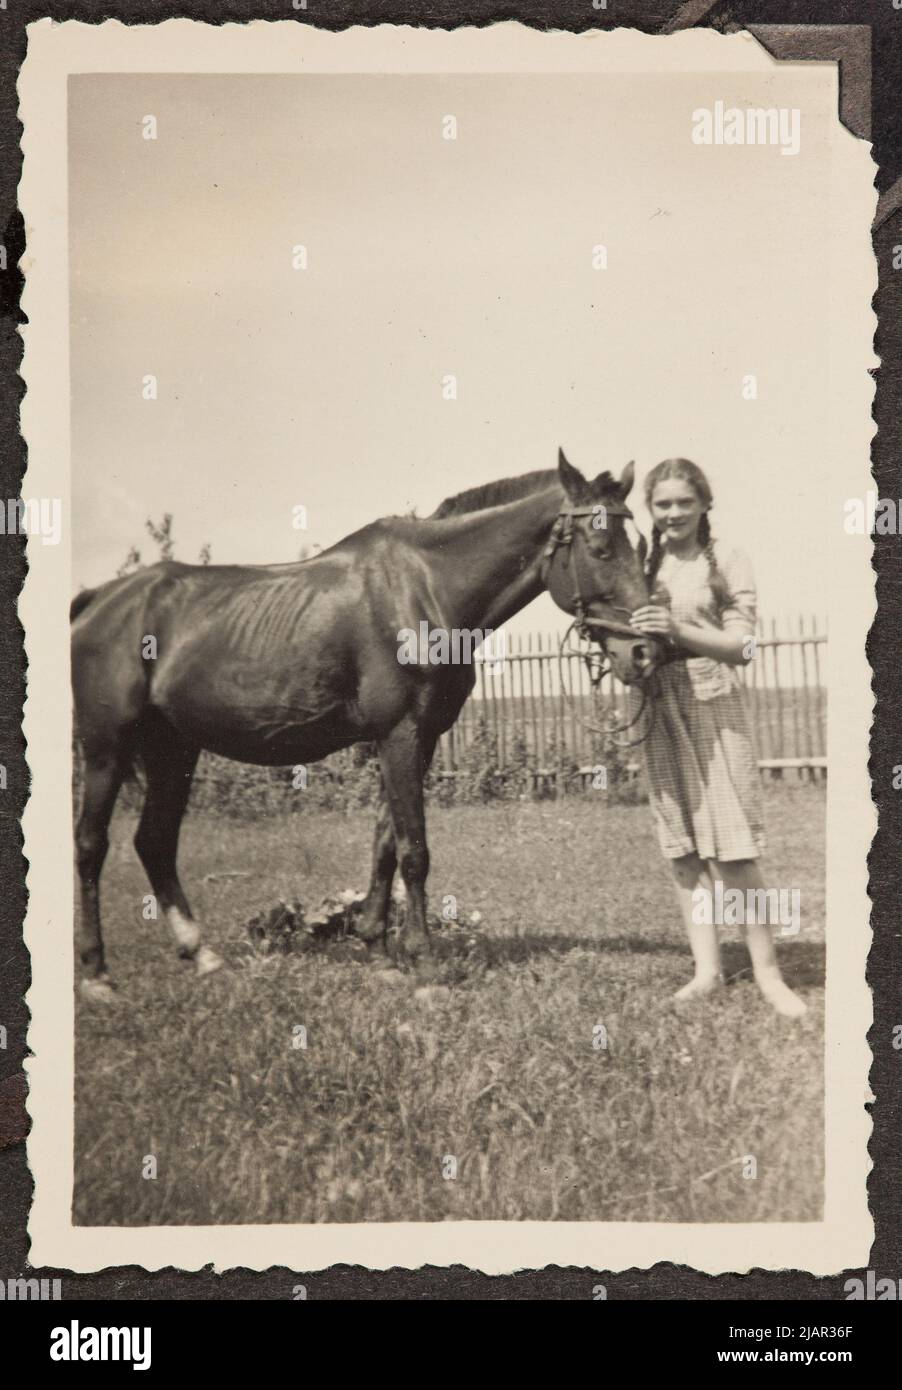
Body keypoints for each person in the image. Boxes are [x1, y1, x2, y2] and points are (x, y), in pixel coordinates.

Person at [629, 458, 806, 1018]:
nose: (674, 513)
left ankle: (769, 974)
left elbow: (745, 646)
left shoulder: (726, 559)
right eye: (663, 504)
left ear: (704, 503)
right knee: (681, 847)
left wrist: (676, 629)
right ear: (650, 511)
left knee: (733, 849)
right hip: (657, 703)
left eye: (684, 502)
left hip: (713, 704)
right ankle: (707, 971)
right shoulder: (641, 565)